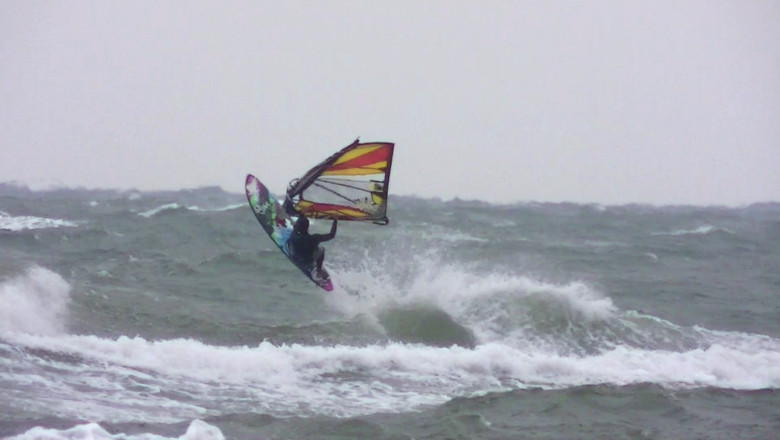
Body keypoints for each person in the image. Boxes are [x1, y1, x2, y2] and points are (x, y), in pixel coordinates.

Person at [287, 214, 337, 280]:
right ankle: (319, 270)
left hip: (294, 257)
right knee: (322, 249)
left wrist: (302, 213)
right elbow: (331, 235)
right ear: (307, 227)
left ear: (297, 226)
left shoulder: (294, 233)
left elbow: (297, 225)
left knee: (291, 241)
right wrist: (335, 220)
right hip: (307, 262)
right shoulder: (314, 238)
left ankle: (288, 246)